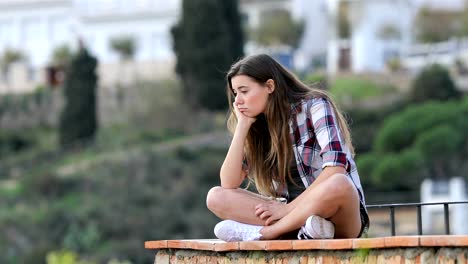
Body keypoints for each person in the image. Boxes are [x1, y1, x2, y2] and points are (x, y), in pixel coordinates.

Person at [206, 54, 369, 241]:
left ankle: (267, 234)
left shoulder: (315, 106)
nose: (238, 101)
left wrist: (287, 209)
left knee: (340, 183)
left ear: (269, 86)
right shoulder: (257, 125)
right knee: (216, 196)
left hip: (337, 216)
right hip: (287, 214)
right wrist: (242, 125)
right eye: (235, 93)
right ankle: (307, 231)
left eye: (244, 91)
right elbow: (229, 182)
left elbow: (335, 168)